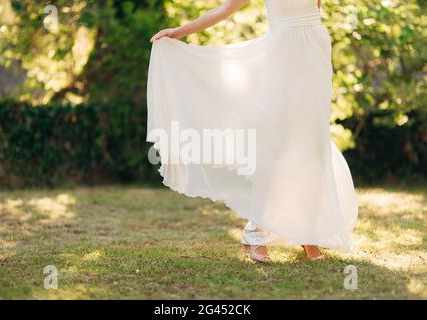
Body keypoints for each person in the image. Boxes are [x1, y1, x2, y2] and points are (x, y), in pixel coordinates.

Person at [147, 0, 358, 262]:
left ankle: (308, 233)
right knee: (276, 145)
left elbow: (316, 9)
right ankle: (256, 232)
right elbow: (224, 10)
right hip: (282, 54)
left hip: (314, 50)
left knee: (311, 143)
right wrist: (179, 32)